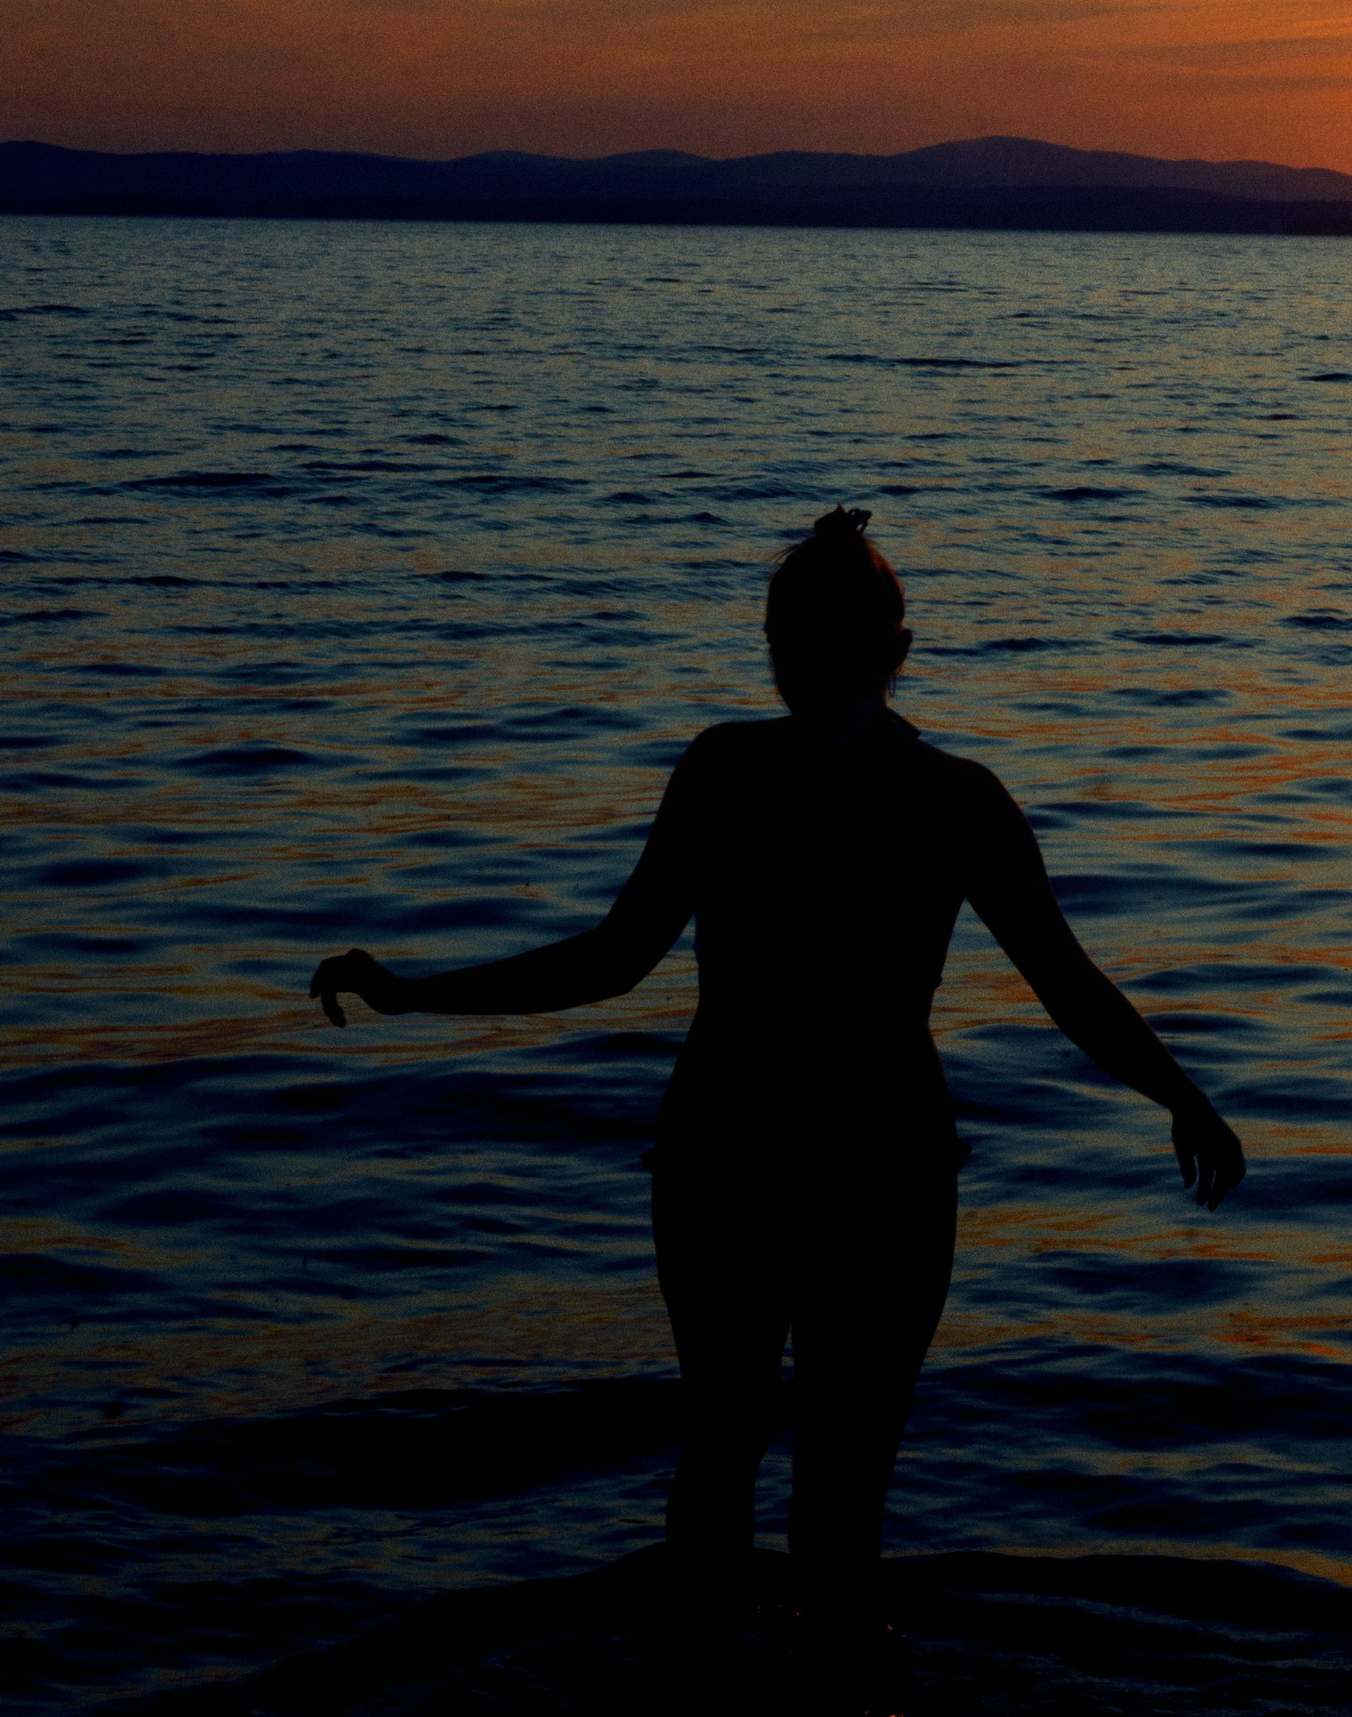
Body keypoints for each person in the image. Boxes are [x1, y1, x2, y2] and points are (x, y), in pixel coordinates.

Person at [311, 507, 1244, 1622]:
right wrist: (1183, 1097)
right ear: (899, 655)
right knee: (843, 1508)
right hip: (885, 1168)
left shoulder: (725, 770)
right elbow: (1068, 985)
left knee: (718, 1465)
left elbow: (613, 960)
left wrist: (417, 991)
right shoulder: (959, 800)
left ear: (775, 648)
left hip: (728, 1156)